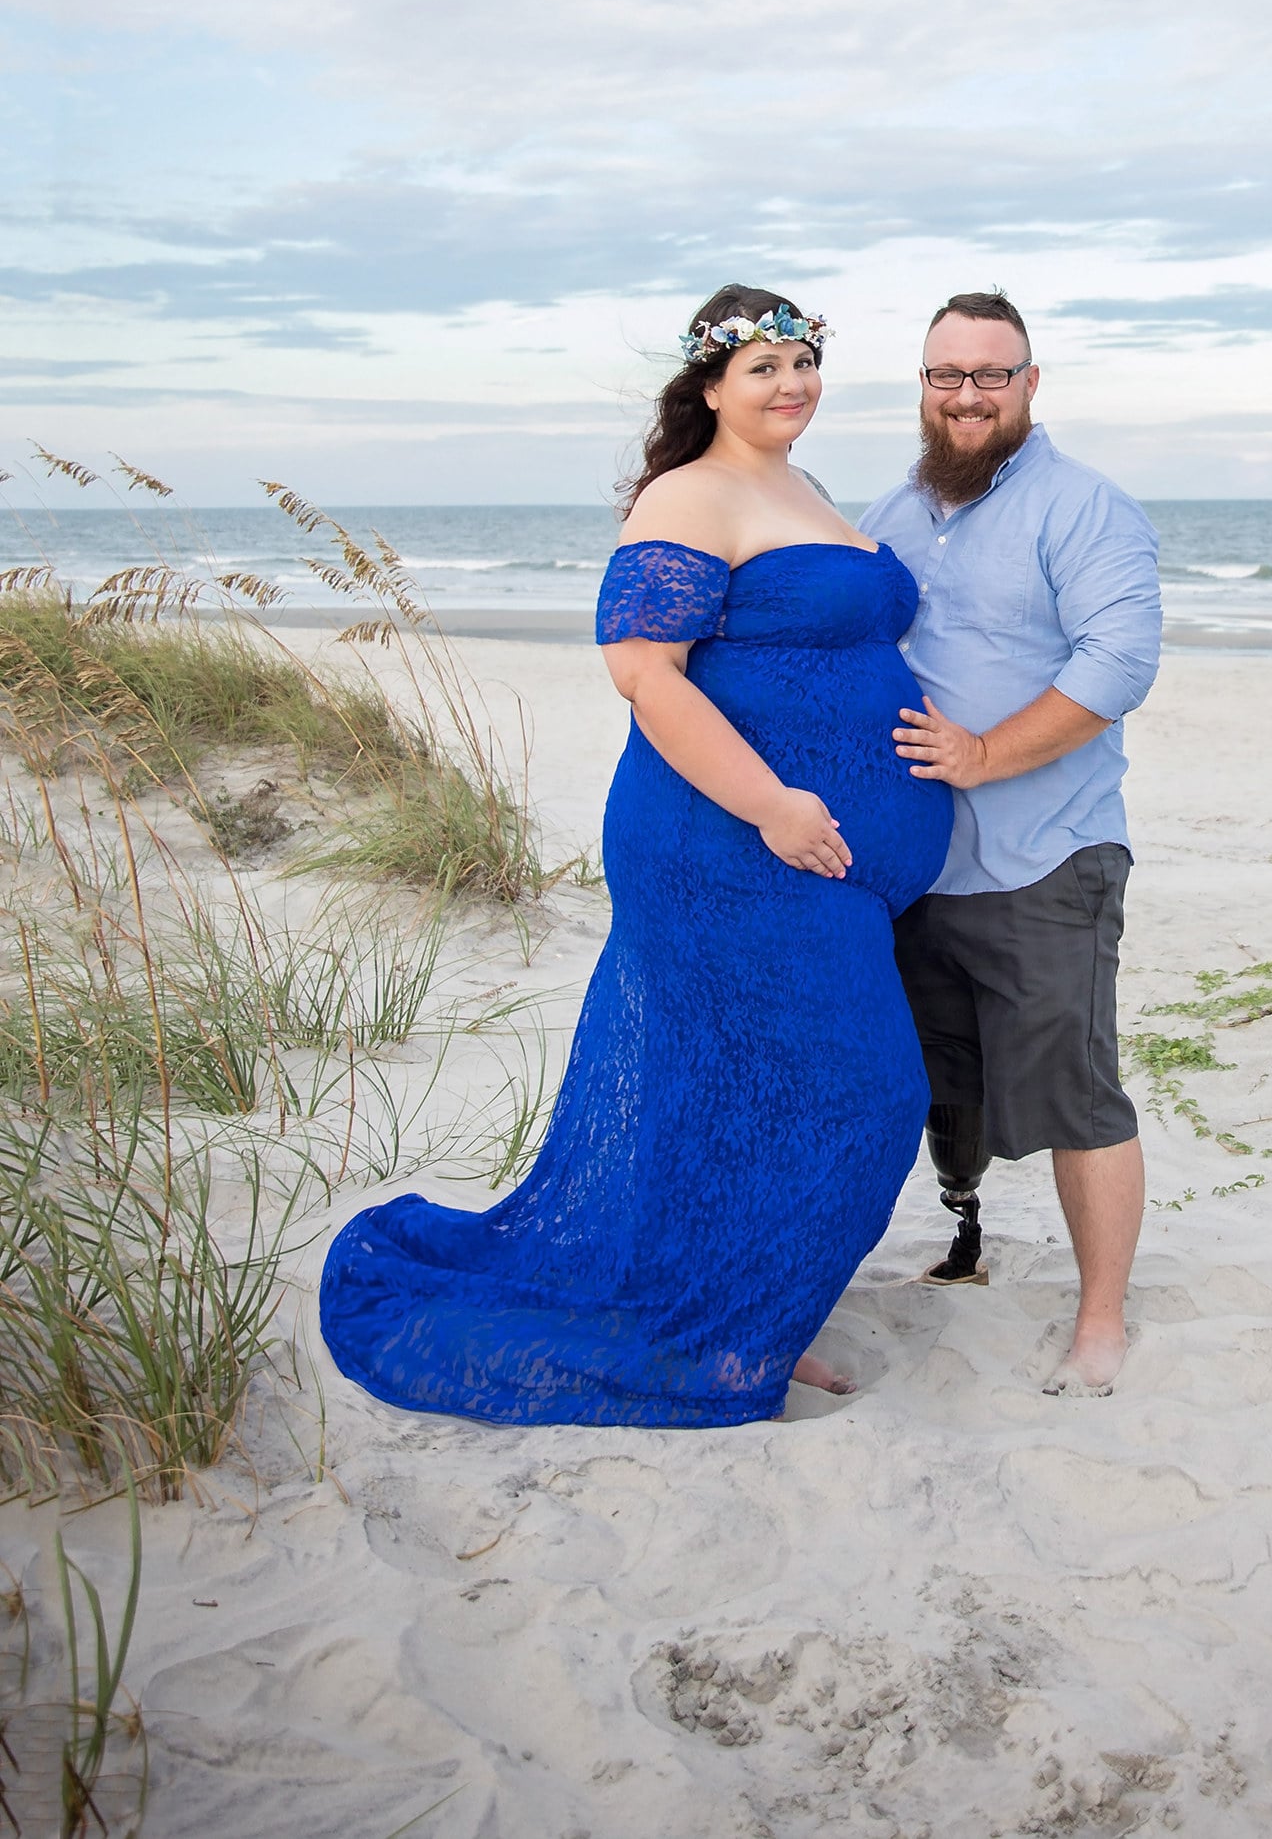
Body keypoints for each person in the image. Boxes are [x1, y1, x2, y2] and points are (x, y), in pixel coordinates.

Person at [319, 285, 952, 1426]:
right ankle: (722, 1328)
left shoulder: (798, 486)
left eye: (803, 360)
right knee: (868, 1092)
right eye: (761, 366)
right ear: (709, 386)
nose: (790, 382)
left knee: (741, 1091)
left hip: (811, 855)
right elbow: (643, 671)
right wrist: (772, 804)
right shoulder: (687, 493)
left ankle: (751, 1312)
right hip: (727, 842)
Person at [863, 290, 1162, 1397]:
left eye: (991, 374)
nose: (967, 395)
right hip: (912, 869)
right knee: (929, 1087)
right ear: (924, 387)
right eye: (947, 375)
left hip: (1046, 855)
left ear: (1031, 385)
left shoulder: (1087, 509)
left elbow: (1117, 664)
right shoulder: (889, 512)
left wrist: (986, 753)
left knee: (1076, 1094)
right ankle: (960, 1238)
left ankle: (1097, 1322)